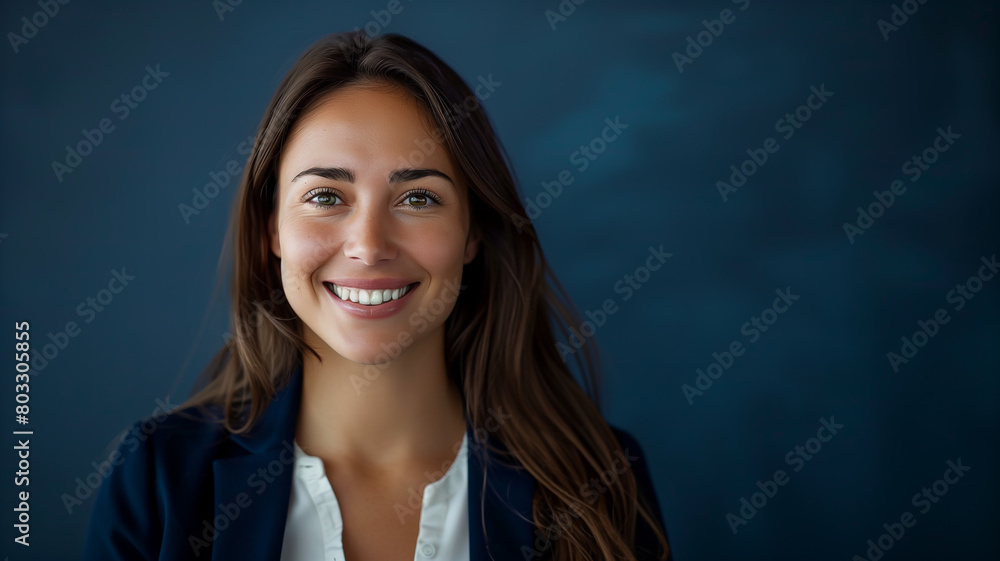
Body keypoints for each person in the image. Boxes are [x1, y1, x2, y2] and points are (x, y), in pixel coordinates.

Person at [83, 30, 671, 561]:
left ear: (472, 234)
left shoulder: (599, 479)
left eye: (418, 198)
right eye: (324, 197)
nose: (368, 246)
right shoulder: (156, 478)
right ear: (271, 231)